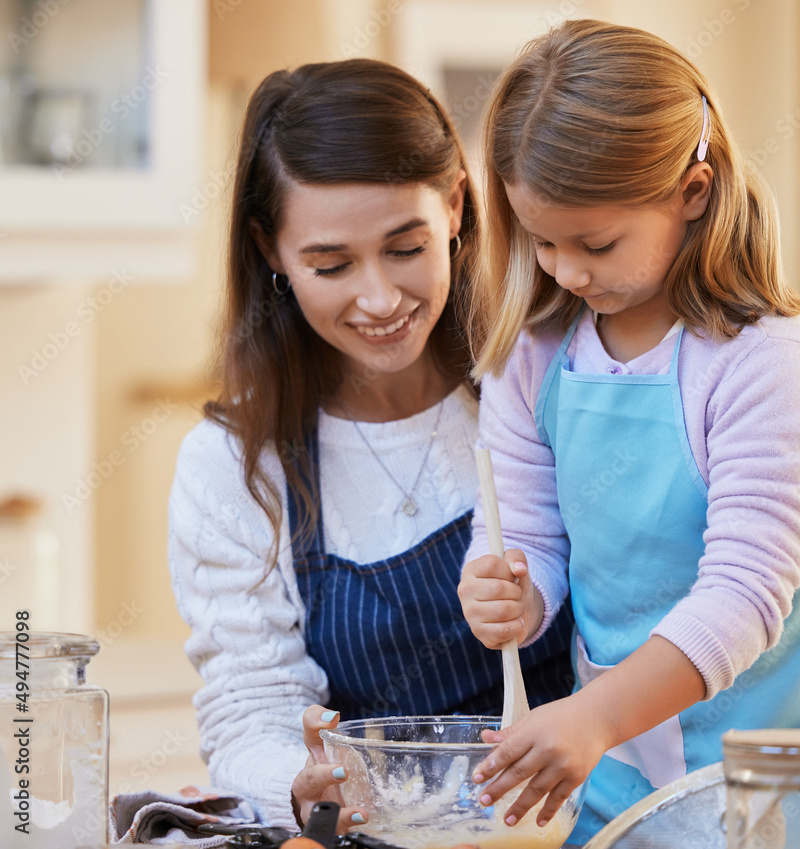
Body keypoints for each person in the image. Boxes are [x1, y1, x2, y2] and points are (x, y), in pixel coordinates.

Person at [457, 19, 800, 844]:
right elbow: (528, 537)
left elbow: (744, 595)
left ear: (693, 191)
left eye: (597, 242)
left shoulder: (762, 362)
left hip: (770, 749)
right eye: (541, 242)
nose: (567, 271)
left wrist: (592, 718)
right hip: (619, 748)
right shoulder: (533, 356)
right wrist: (507, 591)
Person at [168, 59, 573, 835]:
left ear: (456, 206)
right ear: (271, 252)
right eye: (331, 265)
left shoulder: (541, 382)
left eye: (405, 247)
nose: (381, 299)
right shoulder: (234, 463)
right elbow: (248, 709)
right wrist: (300, 776)